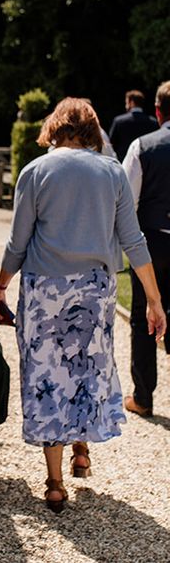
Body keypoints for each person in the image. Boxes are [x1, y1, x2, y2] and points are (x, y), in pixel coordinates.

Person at [0, 97, 166, 513]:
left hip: (45, 290)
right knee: (87, 368)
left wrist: (0, 288)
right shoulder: (112, 173)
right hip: (95, 291)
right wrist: (153, 301)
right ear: (92, 131)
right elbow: (133, 241)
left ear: (54, 128)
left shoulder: (35, 172)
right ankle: (82, 447)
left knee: (47, 374)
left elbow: (17, 243)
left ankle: (54, 482)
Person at [121, 81, 170, 417]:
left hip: (151, 242)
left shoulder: (143, 146)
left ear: (157, 112)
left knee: (143, 317)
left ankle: (143, 397)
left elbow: (126, 202)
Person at [108, 89, 158, 161]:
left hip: (124, 162)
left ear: (131, 103)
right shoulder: (153, 122)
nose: (126, 106)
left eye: (126, 103)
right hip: (146, 163)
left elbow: (111, 144)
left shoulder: (119, 121)